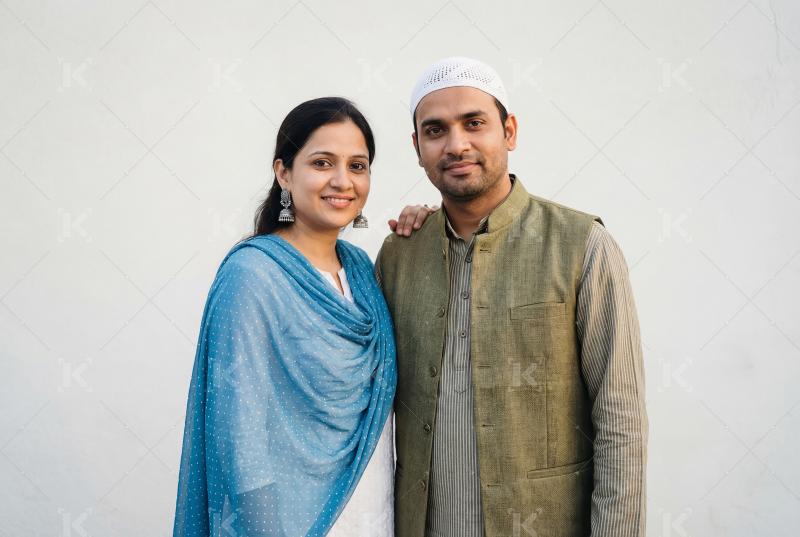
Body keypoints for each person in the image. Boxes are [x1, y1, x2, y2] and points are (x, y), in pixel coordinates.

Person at [377, 57, 648, 537]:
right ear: (417, 148)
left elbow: (620, 424)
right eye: (435, 130)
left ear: (510, 131)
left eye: (474, 123)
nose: (456, 144)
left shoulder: (582, 245)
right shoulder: (399, 256)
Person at [173, 97, 397, 537]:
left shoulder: (362, 274)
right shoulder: (253, 276)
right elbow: (239, 431)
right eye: (322, 162)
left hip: (373, 509)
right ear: (283, 173)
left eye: (358, 166)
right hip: (289, 521)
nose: (342, 181)